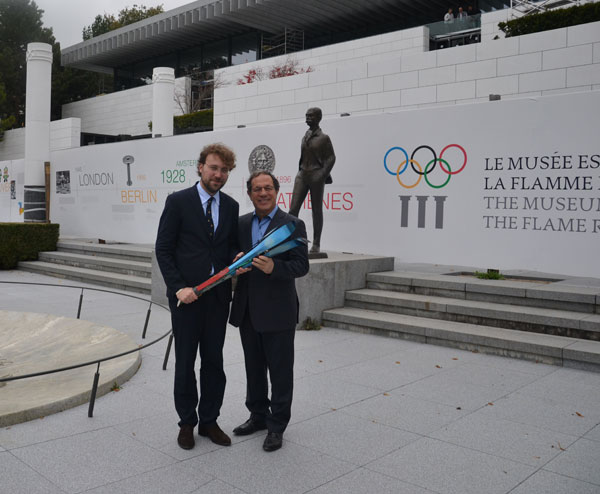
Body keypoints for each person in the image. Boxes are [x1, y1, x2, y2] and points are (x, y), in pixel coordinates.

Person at [155, 143, 239, 451]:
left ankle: (209, 421)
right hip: (186, 299)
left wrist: (237, 257)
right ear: (200, 167)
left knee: (214, 362)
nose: (218, 174)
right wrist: (178, 287)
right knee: (185, 362)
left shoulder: (230, 206)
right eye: (214, 168)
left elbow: (229, 246)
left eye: (224, 170)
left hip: (217, 299)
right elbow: (163, 249)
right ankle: (187, 423)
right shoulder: (178, 202)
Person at [230, 171, 309, 452]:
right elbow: (231, 254)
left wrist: (275, 267)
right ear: (249, 194)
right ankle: (258, 416)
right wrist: (234, 261)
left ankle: (277, 426)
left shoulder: (292, 225)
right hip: (247, 311)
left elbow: (301, 265)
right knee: (253, 369)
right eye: (257, 189)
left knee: (280, 372)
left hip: (278, 312)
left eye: (267, 188)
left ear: (276, 191)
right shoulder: (241, 224)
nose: (262, 193)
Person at [288, 107, 335, 254]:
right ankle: (290, 241)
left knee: (316, 210)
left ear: (319, 118)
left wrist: (322, 174)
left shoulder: (324, 138)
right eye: (306, 116)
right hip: (302, 175)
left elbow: (331, 157)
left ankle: (316, 244)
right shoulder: (305, 135)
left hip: (316, 175)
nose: (307, 118)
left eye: (311, 116)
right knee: (293, 210)